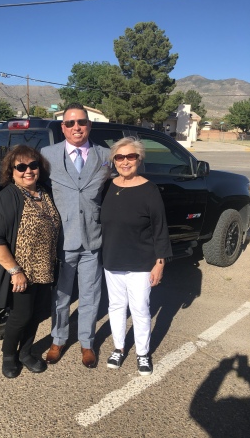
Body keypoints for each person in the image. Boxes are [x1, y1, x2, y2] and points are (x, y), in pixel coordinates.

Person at [41, 103, 111, 368]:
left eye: (81, 122)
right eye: (70, 123)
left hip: (93, 239)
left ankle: (87, 344)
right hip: (63, 239)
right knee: (61, 296)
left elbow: (120, 179)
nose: (76, 127)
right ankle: (58, 339)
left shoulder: (105, 154)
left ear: (89, 125)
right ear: (63, 127)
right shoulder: (47, 154)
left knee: (91, 297)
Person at [0, 145, 60, 378]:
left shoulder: (45, 193)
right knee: (20, 317)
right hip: (22, 272)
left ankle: (26, 352)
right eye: (21, 166)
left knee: (36, 314)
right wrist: (15, 271)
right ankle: (9, 355)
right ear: (11, 171)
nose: (28, 171)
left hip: (45, 269)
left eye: (33, 165)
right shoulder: (6, 199)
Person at [100, 137, 172, 375]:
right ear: (114, 161)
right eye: (119, 157)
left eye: (131, 156)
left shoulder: (149, 190)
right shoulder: (108, 186)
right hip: (112, 259)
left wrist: (159, 263)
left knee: (140, 308)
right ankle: (119, 348)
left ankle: (142, 353)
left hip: (141, 261)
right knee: (116, 306)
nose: (125, 161)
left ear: (139, 159)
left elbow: (160, 229)